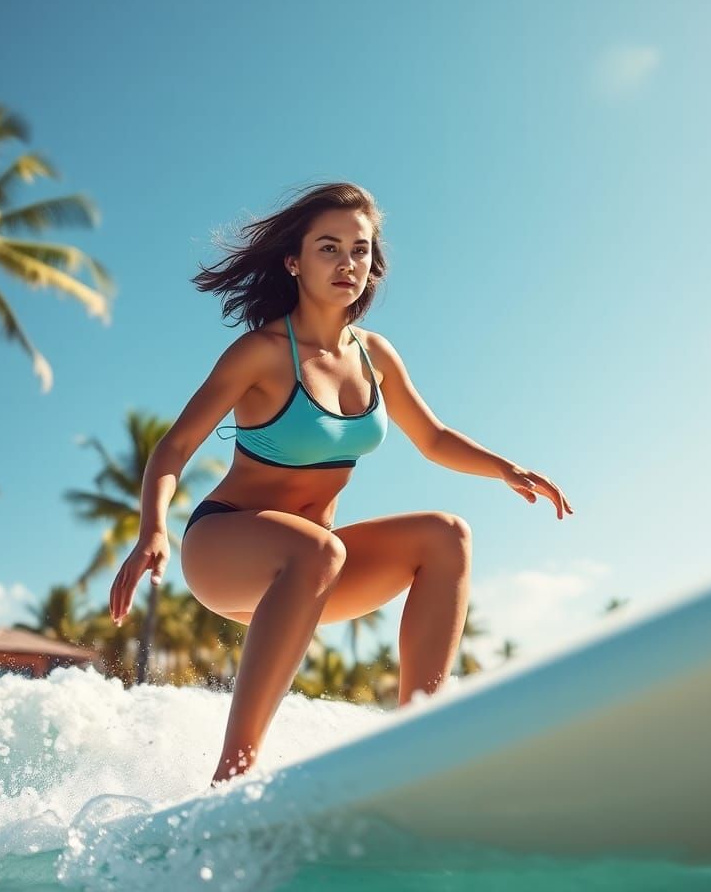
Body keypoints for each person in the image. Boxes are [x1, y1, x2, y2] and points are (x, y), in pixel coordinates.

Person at [107, 181, 574, 787]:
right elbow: (173, 448)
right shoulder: (262, 352)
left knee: (446, 536)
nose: (347, 263)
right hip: (225, 549)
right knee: (320, 549)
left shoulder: (374, 355)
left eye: (360, 249)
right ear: (294, 261)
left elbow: (431, 437)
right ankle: (233, 773)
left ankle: (419, 748)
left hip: (309, 573)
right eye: (329, 248)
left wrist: (504, 467)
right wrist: (152, 531)